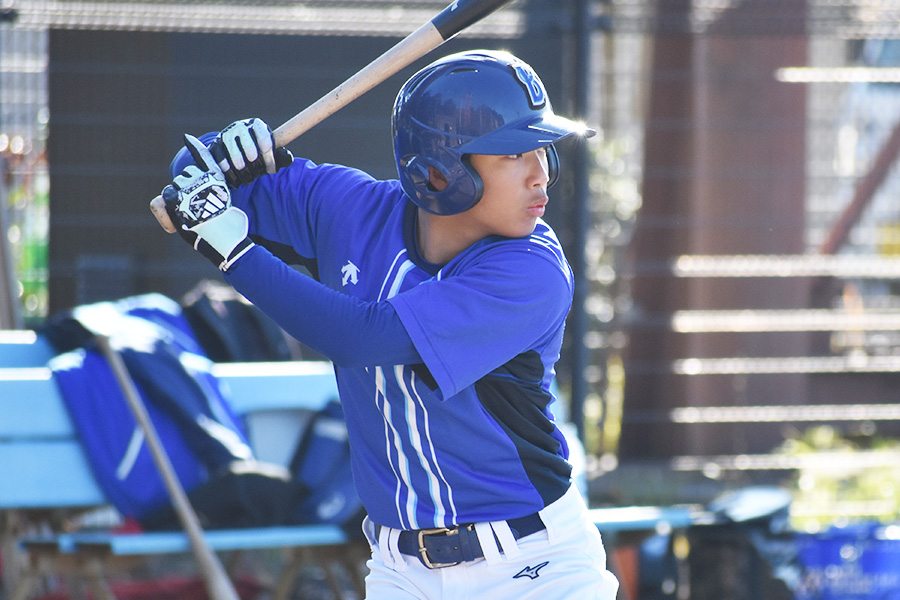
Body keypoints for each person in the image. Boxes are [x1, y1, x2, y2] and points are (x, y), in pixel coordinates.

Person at [160, 49, 619, 600]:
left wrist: (236, 254)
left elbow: (362, 338)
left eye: (542, 150)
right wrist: (224, 151)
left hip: (534, 566)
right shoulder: (350, 207)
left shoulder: (532, 269)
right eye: (514, 154)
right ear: (440, 169)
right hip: (401, 570)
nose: (541, 174)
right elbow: (192, 180)